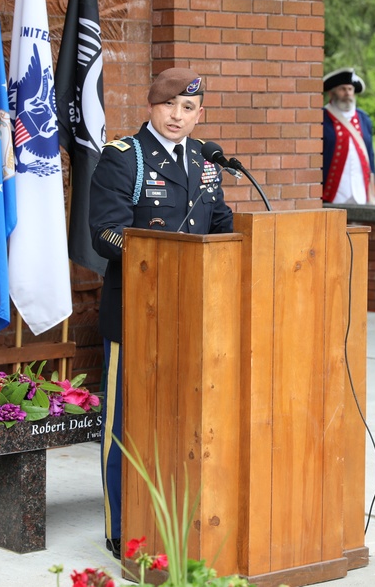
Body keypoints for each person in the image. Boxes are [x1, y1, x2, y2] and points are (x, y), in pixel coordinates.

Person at [88, 67, 234, 559]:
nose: (178, 116)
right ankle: (120, 525)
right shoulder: (123, 158)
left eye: (188, 108)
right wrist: (164, 261)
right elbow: (105, 235)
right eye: (170, 105)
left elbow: (223, 230)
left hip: (198, 317)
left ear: (200, 114)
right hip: (136, 315)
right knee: (124, 424)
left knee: (185, 422)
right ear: (151, 106)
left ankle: (181, 517)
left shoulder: (207, 162)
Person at [321, 67, 375, 204]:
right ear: (332, 93)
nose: (347, 93)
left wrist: (373, 188)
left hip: (360, 189)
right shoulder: (322, 117)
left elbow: (370, 154)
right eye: (342, 89)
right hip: (334, 191)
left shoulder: (364, 118)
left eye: (350, 89)